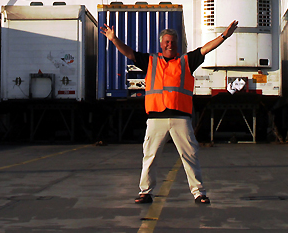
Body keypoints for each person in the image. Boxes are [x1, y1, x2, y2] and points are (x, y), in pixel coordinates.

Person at [100, 19, 239, 205]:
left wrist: (224, 36)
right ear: (161, 43)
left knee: (190, 155)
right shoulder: (150, 61)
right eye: (166, 41)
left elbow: (206, 48)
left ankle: (199, 193)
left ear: (177, 44)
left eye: (172, 42)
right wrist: (114, 39)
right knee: (150, 156)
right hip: (156, 117)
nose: (169, 44)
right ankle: (145, 192)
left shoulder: (186, 61)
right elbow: (130, 53)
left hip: (180, 118)